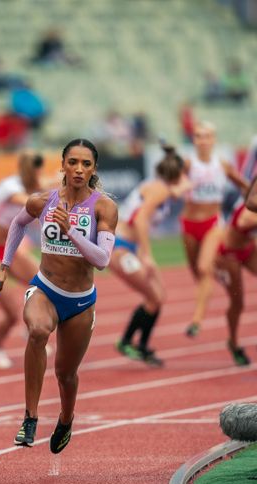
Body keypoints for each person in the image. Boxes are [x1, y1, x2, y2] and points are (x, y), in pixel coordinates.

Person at [0, 139, 118, 452]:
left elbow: (102, 260)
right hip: (45, 288)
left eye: (86, 164)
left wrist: (70, 230)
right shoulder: (41, 201)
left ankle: (66, 418)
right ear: (62, 165)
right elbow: (17, 224)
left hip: (81, 301)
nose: (78, 169)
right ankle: (30, 417)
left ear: (93, 169)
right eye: (73, 162)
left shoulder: (104, 207)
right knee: (37, 330)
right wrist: (3, 267)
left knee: (66, 373)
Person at [110, 145, 188, 367]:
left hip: (127, 247)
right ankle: (127, 341)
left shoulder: (159, 186)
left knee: (158, 296)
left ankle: (141, 346)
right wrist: (147, 255)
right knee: (154, 296)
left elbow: (184, 185)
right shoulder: (160, 190)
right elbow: (142, 219)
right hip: (121, 247)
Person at [0, 150, 45, 369]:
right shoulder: (10, 187)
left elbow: (47, 186)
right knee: (11, 313)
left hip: (11, 250)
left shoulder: (32, 185)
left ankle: (29, 327)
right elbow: (28, 201)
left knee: (44, 284)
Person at [181, 121, 249, 338]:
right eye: (199, 136)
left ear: (213, 140)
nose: (203, 140)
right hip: (189, 225)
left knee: (203, 268)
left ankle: (196, 321)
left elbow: (246, 187)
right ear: (195, 140)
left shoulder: (222, 165)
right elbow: (171, 180)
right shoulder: (188, 164)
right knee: (197, 273)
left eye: (207, 136)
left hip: (212, 224)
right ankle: (219, 274)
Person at [215, 196, 257, 365]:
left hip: (248, 248)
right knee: (238, 303)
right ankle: (233, 342)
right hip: (227, 254)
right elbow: (243, 222)